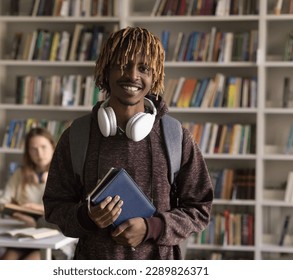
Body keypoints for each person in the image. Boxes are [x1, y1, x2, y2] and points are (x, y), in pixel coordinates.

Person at [43, 26, 213, 260]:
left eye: (144, 68)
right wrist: (86, 217)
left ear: (155, 77)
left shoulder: (176, 137)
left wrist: (152, 227)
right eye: (123, 64)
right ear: (106, 70)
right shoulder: (76, 136)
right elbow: (55, 207)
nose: (133, 76)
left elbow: (200, 209)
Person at [0, 127, 55, 260]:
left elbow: (67, 213)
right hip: (25, 235)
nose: (39, 154)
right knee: (7, 259)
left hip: (53, 236)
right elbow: (0, 203)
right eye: (34, 149)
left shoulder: (63, 174)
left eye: (43, 147)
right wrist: (18, 211)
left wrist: (40, 209)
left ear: (52, 146)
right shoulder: (20, 174)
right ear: (28, 152)